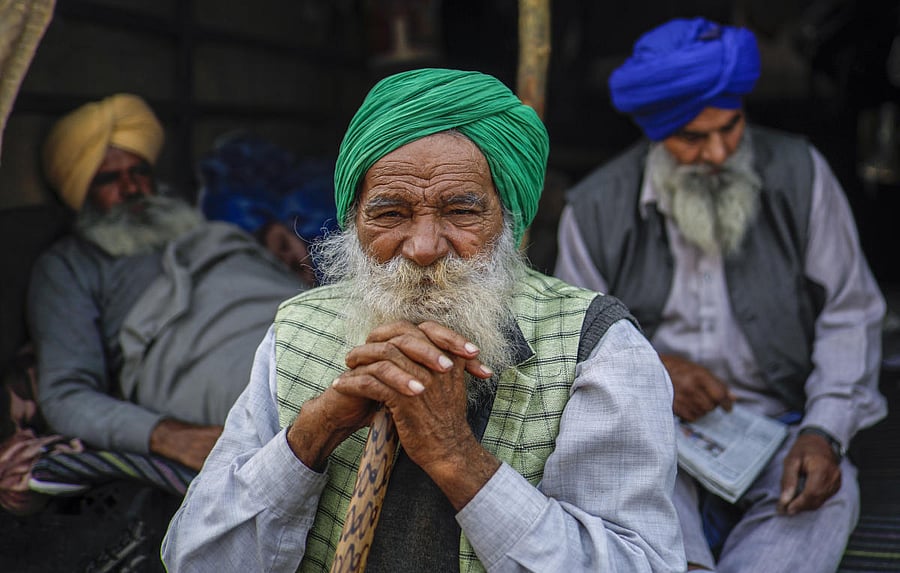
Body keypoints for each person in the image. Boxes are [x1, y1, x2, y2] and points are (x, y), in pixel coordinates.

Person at [162, 68, 686, 572]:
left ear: (509, 218)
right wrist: (315, 432)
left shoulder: (598, 347)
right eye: (390, 214)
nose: (423, 248)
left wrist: (455, 456)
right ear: (354, 221)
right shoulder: (299, 329)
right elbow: (194, 559)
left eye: (461, 212)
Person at [554, 17, 887, 573]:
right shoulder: (593, 210)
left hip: (784, 422)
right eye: (692, 137)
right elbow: (573, 338)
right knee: (624, 499)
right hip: (654, 431)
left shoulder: (802, 174)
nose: (718, 153)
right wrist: (654, 370)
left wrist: (824, 431)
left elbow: (848, 314)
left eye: (730, 128)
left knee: (825, 496)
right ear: (656, 133)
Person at [27, 94, 304, 472]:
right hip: (202, 357)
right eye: (108, 179)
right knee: (307, 393)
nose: (131, 189)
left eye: (139, 172)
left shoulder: (191, 220)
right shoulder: (68, 265)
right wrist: (167, 436)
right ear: (80, 193)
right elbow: (65, 394)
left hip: (293, 312)